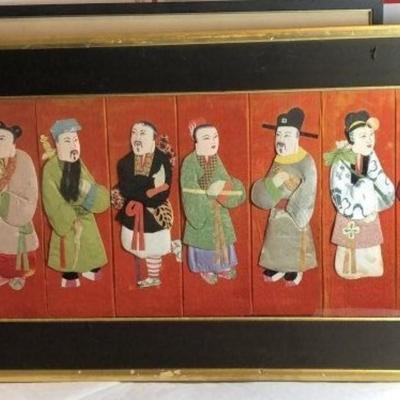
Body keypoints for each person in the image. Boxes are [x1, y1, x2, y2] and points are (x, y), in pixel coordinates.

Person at [251, 107, 317, 286]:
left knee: (293, 241)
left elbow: (309, 187)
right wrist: (274, 183)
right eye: (278, 135)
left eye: (287, 135)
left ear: (297, 137)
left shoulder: (306, 160)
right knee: (276, 240)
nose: (281, 140)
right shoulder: (279, 159)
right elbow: (271, 184)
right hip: (277, 210)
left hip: (295, 210)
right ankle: (277, 266)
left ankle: (294, 270)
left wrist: (296, 209)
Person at [325, 110, 395, 279]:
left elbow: (379, 176)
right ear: (352, 138)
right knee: (350, 250)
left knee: (370, 246)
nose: (369, 140)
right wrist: (355, 206)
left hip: (369, 209)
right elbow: (338, 188)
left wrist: (388, 192)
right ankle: (349, 269)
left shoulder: (371, 156)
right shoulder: (341, 159)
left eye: (371, 135)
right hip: (349, 210)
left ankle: (372, 268)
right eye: (363, 136)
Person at [42, 118, 110, 288]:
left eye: (75, 140)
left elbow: (90, 186)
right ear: (57, 144)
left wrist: (88, 192)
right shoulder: (51, 168)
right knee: (69, 253)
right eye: (67, 141)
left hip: (86, 217)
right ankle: (70, 274)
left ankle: (90, 268)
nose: (73, 145)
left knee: (90, 246)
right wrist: (71, 217)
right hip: (68, 220)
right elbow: (52, 201)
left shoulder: (78, 163)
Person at [180, 119, 245, 285]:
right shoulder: (189, 162)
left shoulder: (216, 159)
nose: (213, 141)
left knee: (221, 241)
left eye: (215, 137)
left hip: (218, 210)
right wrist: (208, 194)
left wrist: (223, 189)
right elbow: (189, 190)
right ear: (196, 143)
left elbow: (225, 179)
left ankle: (222, 267)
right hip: (201, 209)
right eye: (207, 138)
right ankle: (205, 269)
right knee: (203, 243)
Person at [114, 121, 175, 289]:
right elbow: (126, 190)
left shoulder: (162, 160)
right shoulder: (124, 163)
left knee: (154, 248)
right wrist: (150, 190)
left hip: (155, 211)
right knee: (135, 248)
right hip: (133, 212)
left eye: (142, 134)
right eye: (134, 133)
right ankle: (172, 248)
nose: (137, 138)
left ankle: (154, 277)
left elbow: (164, 191)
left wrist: (150, 192)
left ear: (153, 139)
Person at [0, 122, 39, 290]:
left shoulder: (22, 160)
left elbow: (29, 199)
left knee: (16, 264)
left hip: (14, 232)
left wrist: (3, 198)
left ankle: (15, 275)